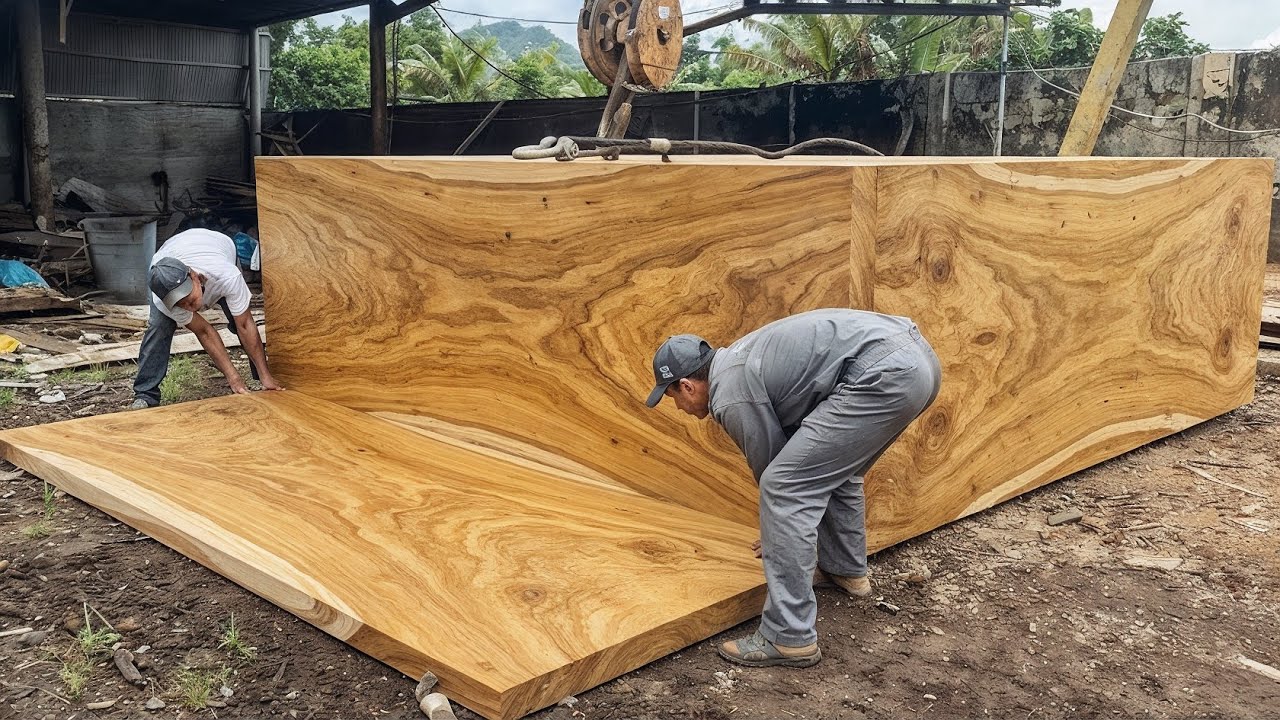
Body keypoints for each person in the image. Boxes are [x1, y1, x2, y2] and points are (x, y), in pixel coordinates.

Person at [645, 308, 941, 668]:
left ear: (687, 385)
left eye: (673, 396)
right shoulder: (741, 358)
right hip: (917, 362)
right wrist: (781, 524)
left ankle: (788, 637)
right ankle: (845, 569)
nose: (677, 406)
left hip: (884, 374)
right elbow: (799, 463)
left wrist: (778, 528)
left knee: (785, 489)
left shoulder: (729, 394)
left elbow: (776, 473)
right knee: (832, 471)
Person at [130, 228, 282, 409]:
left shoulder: (226, 275)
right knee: (159, 326)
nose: (188, 306)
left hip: (218, 245)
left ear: (193, 276)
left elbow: (246, 324)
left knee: (239, 320)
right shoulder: (163, 299)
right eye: (180, 303)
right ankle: (145, 394)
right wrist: (233, 377)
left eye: (188, 296)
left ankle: (263, 375)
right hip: (167, 256)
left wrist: (266, 375)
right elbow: (204, 332)